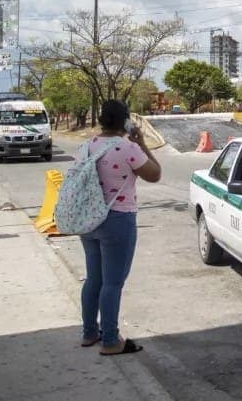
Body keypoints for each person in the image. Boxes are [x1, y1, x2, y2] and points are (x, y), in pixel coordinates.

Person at [79, 100, 161, 356]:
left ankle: (89, 333)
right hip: (117, 220)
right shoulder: (128, 149)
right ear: (125, 121)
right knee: (113, 283)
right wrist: (141, 142)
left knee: (94, 278)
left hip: (89, 220)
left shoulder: (86, 146)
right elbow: (155, 173)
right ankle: (111, 340)